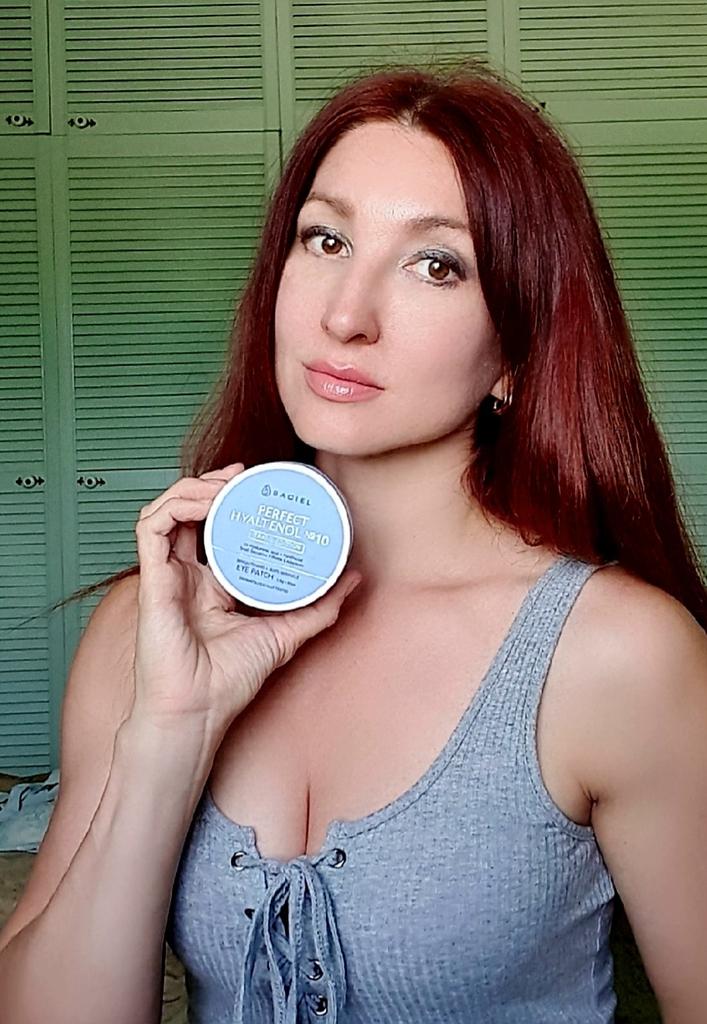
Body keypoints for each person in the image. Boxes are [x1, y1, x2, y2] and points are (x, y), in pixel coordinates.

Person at [1, 59, 706, 1024]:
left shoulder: (617, 655)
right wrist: (168, 735)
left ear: (516, 349)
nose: (344, 315)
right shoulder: (147, 626)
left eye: (435, 264)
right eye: (325, 239)